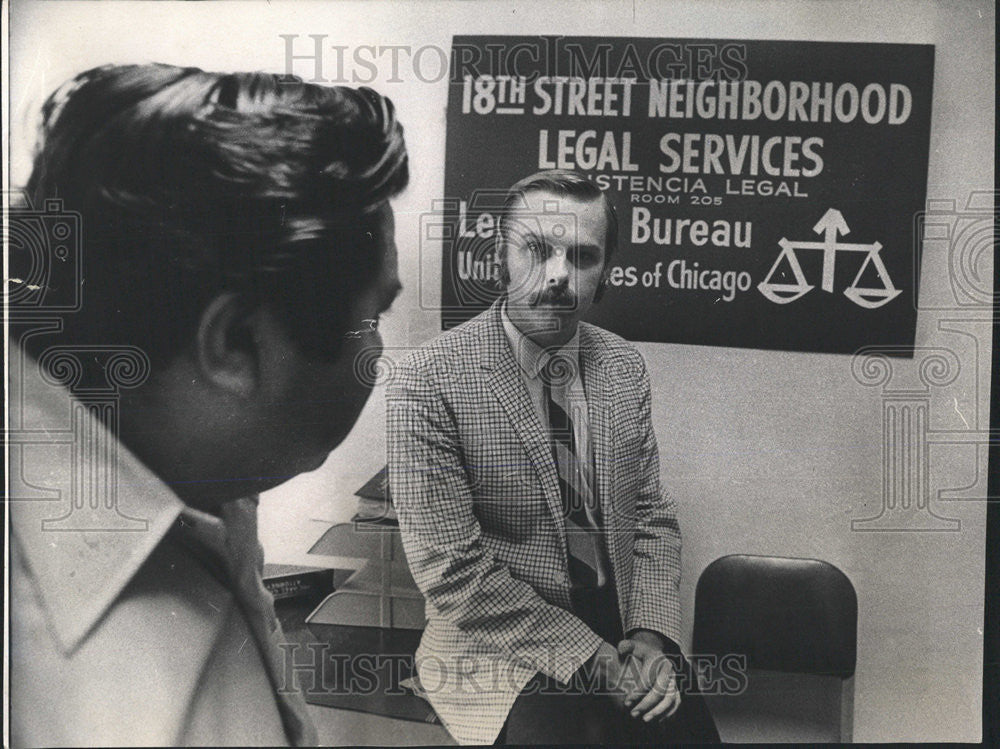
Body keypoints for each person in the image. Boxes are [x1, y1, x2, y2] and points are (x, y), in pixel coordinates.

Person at [9, 63, 408, 746]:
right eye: (370, 322)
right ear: (233, 344)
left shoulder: (195, 478)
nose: (378, 358)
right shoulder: (68, 692)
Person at [387, 169, 720, 744]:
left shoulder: (622, 367)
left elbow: (651, 519)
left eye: (584, 257)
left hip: (618, 635)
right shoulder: (427, 380)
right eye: (537, 250)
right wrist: (593, 660)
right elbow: (452, 572)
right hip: (493, 647)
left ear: (605, 274)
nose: (561, 276)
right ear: (501, 258)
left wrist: (650, 637)